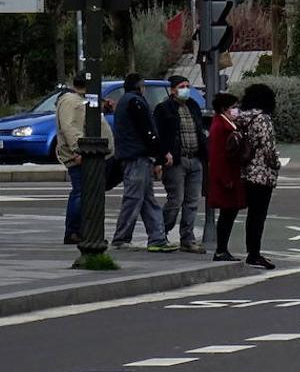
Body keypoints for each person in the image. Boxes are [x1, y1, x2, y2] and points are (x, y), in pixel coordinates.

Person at [111, 74, 177, 252]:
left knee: (147, 200)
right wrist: (160, 154)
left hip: (135, 155)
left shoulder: (126, 101)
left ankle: (157, 237)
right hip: (136, 157)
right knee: (134, 198)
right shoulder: (136, 102)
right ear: (140, 87)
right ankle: (122, 237)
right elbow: (147, 131)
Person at [54, 76, 114, 245]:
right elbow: (70, 128)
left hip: (90, 154)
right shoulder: (71, 101)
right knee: (81, 193)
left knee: (87, 193)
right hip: (81, 156)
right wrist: (79, 150)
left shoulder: (79, 99)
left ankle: (83, 231)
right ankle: (74, 231)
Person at [154, 75, 208, 253]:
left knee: (192, 201)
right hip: (176, 160)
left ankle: (187, 238)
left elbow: (199, 130)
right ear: (173, 90)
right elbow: (159, 134)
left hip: (195, 158)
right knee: (175, 200)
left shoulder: (192, 105)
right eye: (182, 86)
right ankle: (160, 233)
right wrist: (163, 154)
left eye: (187, 85)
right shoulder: (164, 109)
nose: (186, 89)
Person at [237, 83, 281, 270]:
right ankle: (254, 253)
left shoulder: (241, 117)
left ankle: (247, 251)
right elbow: (268, 147)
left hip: (244, 170)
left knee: (248, 215)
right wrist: (276, 164)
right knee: (258, 215)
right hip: (261, 173)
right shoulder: (263, 119)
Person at [207, 92, 245, 261]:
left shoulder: (226, 123)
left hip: (231, 175)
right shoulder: (220, 126)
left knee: (229, 213)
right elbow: (218, 156)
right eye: (233, 107)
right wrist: (225, 179)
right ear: (224, 109)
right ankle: (221, 250)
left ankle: (222, 249)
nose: (236, 110)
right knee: (227, 214)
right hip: (226, 178)